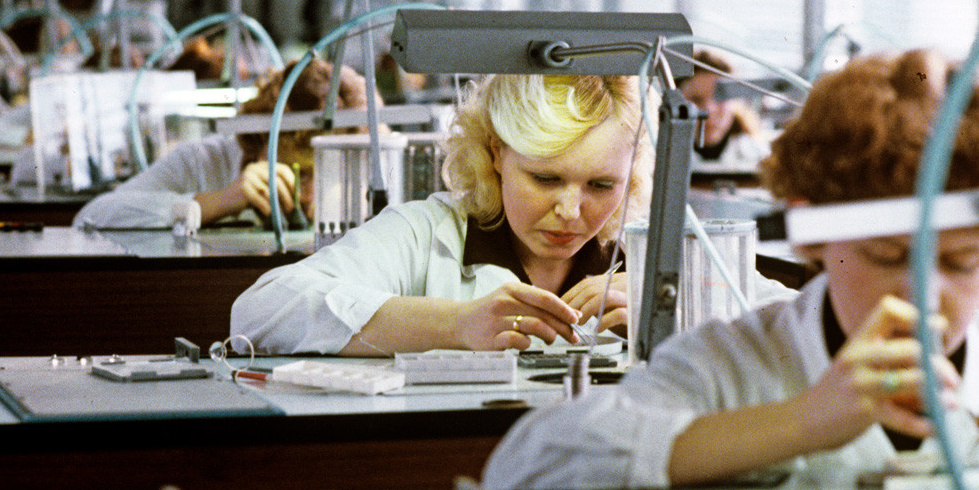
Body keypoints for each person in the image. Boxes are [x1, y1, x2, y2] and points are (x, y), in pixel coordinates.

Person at [482, 48, 979, 490]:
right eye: (886, 254)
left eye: (962, 261)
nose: (925, 295)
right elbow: (524, 466)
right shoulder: (729, 366)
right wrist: (804, 420)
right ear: (809, 232)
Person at [230, 74, 657, 355]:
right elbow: (259, 313)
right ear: (496, 153)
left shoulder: (644, 258)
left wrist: (666, 317)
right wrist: (455, 325)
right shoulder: (425, 233)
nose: (570, 211)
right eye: (545, 179)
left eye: (601, 185)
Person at [72, 57, 370, 229]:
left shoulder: (363, 168)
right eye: (296, 171)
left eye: (318, 173)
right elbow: (90, 217)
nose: (305, 193)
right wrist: (217, 202)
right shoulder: (204, 162)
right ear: (257, 142)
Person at [678, 49, 770, 169]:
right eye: (696, 99)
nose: (709, 111)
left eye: (720, 98)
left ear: (736, 100)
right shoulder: (654, 152)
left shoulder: (759, 155)